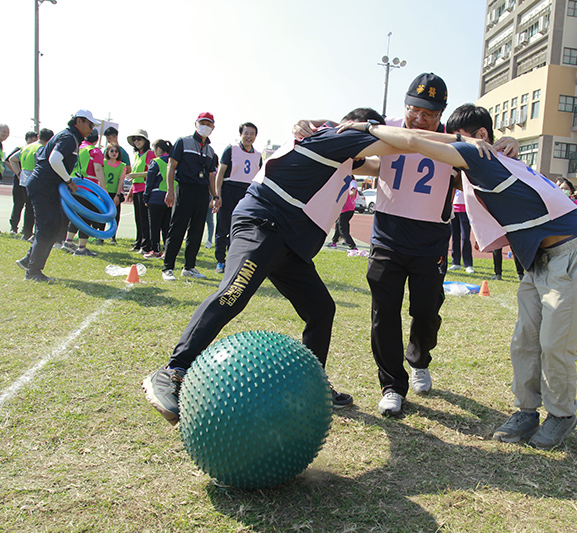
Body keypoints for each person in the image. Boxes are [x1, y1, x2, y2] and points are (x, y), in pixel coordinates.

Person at [338, 103, 577, 450]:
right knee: (524, 341)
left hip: (570, 253)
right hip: (538, 258)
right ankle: (527, 410)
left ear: (478, 138)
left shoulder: (477, 155)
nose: (449, 144)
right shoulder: (482, 158)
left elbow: (415, 142)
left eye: (455, 137)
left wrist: (368, 128)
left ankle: (562, 414)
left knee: (555, 343)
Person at [142, 107, 401, 425]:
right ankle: (173, 371)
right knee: (233, 293)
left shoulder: (347, 156)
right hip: (263, 226)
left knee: (321, 309)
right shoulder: (329, 140)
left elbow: (380, 163)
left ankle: (311, 386)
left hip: (290, 244)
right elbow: (390, 145)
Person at [294, 75, 518, 418]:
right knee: (384, 312)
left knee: (427, 312)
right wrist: (317, 128)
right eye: (414, 109)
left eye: (428, 113)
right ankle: (392, 385)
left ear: (441, 113)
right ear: (405, 106)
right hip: (388, 233)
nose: (419, 118)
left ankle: (419, 359)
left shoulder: (451, 140)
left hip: (431, 238)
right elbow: (357, 147)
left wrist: (508, 142)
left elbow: (478, 164)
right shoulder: (387, 129)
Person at [16, 110, 101, 281]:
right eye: (90, 125)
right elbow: (54, 160)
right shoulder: (69, 137)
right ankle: (33, 271)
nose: (92, 129)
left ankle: (28, 261)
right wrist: (69, 181)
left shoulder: (71, 138)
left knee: (55, 225)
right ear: (79, 121)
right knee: (47, 226)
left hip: (49, 187)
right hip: (43, 186)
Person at [162, 112, 220, 281]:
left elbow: (211, 176)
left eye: (209, 124)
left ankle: (189, 267)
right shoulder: (183, 142)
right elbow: (171, 167)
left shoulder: (210, 151)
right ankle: (168, 268)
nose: (205, 127)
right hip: (185, 189)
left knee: (196, 230)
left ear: (213, 128)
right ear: (196, 124)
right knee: (177, 228)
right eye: (202, 123)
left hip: (202, 192)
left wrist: (215, 196)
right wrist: (170, 190)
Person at [213, 122, 263, 273]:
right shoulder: (231, 150)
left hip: (246, 193)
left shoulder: (258, 155)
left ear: (255, 136)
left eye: (252, 134)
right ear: (240, 134)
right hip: (229, 190)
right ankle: (220, 261)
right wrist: (217, 194)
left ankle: (234, 261)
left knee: (241, 229)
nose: (249, 136)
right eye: (246, 133)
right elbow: (220, 174)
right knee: (223, 227)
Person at [64, 130, 104, 255]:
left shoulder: (78, 148)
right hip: (88, 188)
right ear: (96, 140)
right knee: (86, 217)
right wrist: (103, 190)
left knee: (75, 215)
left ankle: (68, 241)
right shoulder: (95, 151)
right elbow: (97, 169)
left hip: (74, 185)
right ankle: (81, 248)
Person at [8, 129, 53, 240]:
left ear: (39, 136)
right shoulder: (41, 149)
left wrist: (19, 173)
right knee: (37, 208)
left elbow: (12, 159)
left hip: (23, 181)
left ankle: (26, 233)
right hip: (36, 181)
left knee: (29, 207)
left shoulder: (27, 147)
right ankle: (34, 234)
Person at [143, 140, 173, 259]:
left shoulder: (156, 162)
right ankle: (167, 250)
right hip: (171, 198)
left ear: (159, 149)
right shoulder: (174, 162)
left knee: (154, 226)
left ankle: (155, 250)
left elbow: (149, 182)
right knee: (167, 226)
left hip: (156, 198)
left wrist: (146, 197)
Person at [127, 129, 155, 253]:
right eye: (135, 139)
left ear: (145, 141)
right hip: (136, 189)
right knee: (138, 219)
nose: (137, 141)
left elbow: (151, 172)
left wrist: (136, 175)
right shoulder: (138, 155)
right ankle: (138, 243)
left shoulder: (149, 154)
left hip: (144, 189)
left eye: (139, 139)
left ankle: (146, 245)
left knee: (144, 219)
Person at [6, 131, 38, 235]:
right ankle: (13, 227)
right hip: (20, 181)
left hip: (30, 182)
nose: (33, 142)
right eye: (31, 140)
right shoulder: (21, 149)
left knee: (29, 206)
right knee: (19, 204)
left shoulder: (36, 149)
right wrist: (18, 173)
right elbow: (8, 160)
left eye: (35, 140)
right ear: (26, 139)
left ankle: (26, 229)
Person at [102, 143, 127, 245]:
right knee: (103, 213)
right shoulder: (103, 163)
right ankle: (101, 236)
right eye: (111, 151)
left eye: (116, 151)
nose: (114, 153)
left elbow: (121, 181)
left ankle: (113, 237)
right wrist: (103, 192)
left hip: (115, 193)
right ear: (107, 152)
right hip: (104, 192)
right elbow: (101, 178)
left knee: (115, 215)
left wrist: (117, 195)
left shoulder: (122, 166)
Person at [448, 190, 474, 274]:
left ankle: (468, 264)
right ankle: (456, 262)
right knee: (455, 237)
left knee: (465, 237)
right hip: (454, 209)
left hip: (465, 209)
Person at [328, 179, 358, 250]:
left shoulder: (351, 182)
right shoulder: (345, 183)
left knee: (342, 229)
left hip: (346, 209)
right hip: (347, 209)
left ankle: (353, 246)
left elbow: (352, 192)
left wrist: (344, 196)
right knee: (338, 224)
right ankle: (333, 242)